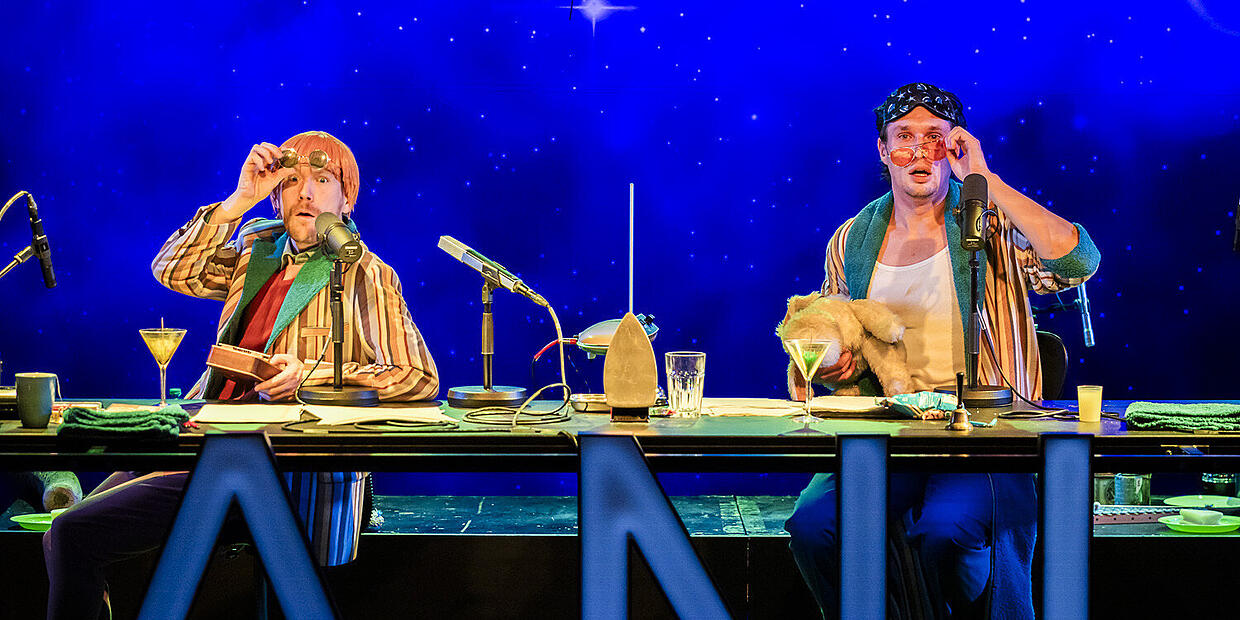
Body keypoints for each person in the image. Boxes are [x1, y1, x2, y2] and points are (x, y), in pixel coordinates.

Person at [42, 130, 439, 619]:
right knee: (61, 533)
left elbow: (416, 375)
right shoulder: (257, 251)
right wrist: (238, 201)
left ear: (347, 198)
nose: (305, 193)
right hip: (203, 436)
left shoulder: (365, 273)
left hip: (271, 466)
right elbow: (172, 270)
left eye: (322, 180)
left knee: (72, 534)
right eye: (291, 181)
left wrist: (310, 376)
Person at [784, 83, 1099, 619]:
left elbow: (1078, 261)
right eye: (904, 136)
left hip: (986, 437)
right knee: (814, 527)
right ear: (883, 150)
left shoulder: (992, 221)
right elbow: (841, 340)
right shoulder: (851, 239)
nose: (919, 151)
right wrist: (835, 368)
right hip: (890, 432)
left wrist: (985, 179)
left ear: (956, 145)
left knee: (945, 531)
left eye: (935, 137)